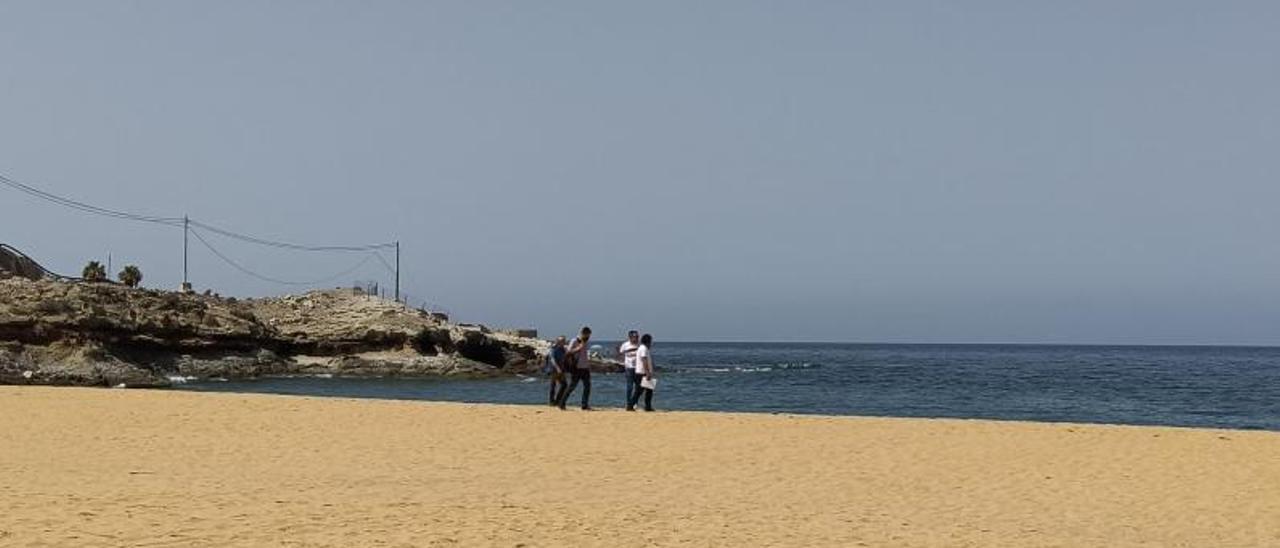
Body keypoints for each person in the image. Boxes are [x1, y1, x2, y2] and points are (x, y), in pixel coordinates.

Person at [557, 326, 593, 410]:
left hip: (585, 367)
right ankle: (562, 403)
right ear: (583, 333)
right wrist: (578, 348)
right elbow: (568, 352)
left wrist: (588, 364)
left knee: (587, 386)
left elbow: (584, 355)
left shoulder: (586, 342)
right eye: (587, 335)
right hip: (576, 367)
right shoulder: (574, 340)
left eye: (589, 335)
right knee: (572, 386)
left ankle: (584, 405)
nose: (588, 337)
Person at [627, 334, 655, 412]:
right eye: (650, 341)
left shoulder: (644, 348)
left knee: (649, 390)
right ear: (648, 341)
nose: (651, 343)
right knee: (639, 391)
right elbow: (644, 360)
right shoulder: (643, 348)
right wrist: (647, 372)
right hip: (642, 373)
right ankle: (630, 405)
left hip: (643, 372)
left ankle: (648, 406)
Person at [618, 330, 640, 407]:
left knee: (638, 386)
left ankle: (635, 402)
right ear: (630, 337)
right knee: (630, 386)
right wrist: (623, 362)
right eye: (635, 337)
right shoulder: (625, 345)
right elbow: (621, 353)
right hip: (629, 368)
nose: (636, 338)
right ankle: (628, 402)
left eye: (637, 337)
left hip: (638, 368)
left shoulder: (639, 345)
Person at [547, 337, 568, 406]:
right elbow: (552, 360)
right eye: (563, 341)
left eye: (564, 341)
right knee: (553, 385)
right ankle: (551, 401)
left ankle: (557, 400)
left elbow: (565, 359)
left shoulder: (563, 350)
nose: (564, 342)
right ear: (558, 342)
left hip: (561, 369)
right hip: (554, 369)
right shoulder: (554, 349)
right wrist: (557, 368)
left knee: (564, 385)